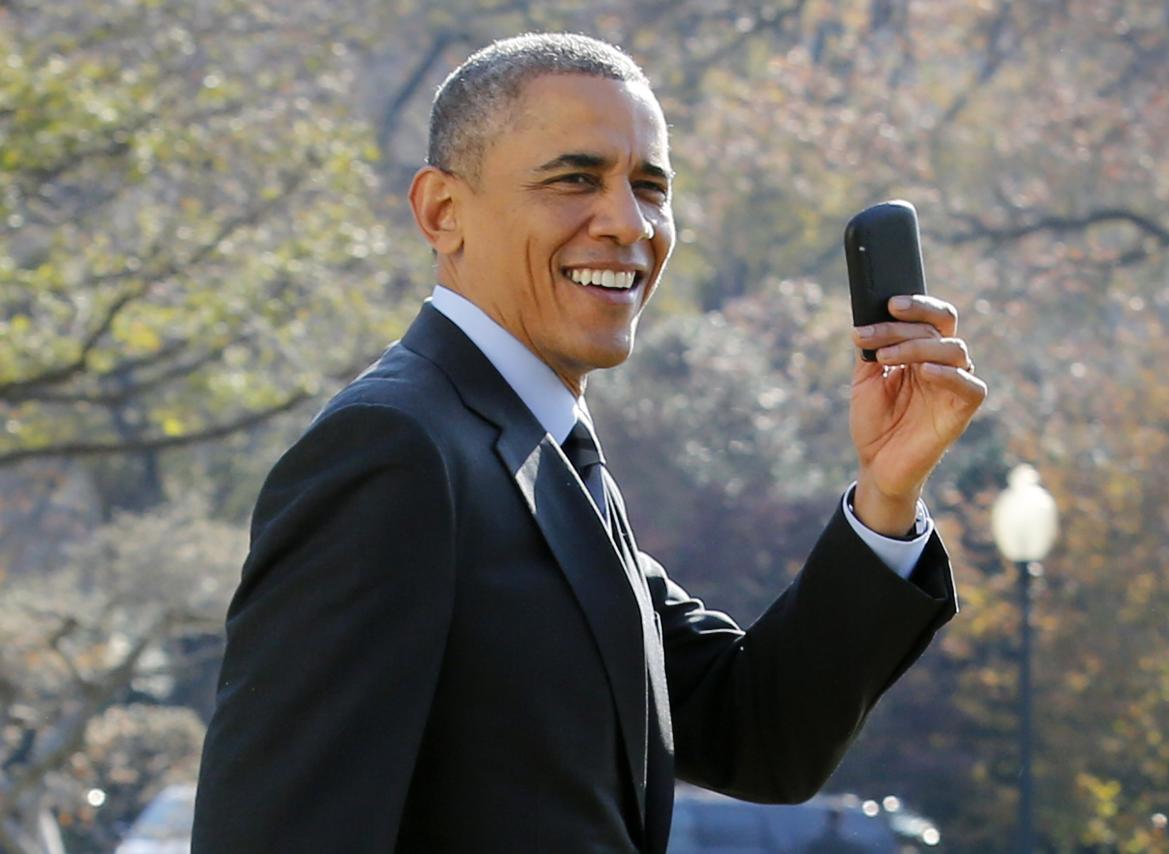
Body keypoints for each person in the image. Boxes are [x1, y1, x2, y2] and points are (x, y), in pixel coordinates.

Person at [191, 33, 986, 854]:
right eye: (575, 179)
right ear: (442, 212)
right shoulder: (394, 452)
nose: (627, 223)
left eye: (650, 187)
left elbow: (757, 739)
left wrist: (886, 496)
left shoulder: (537, 453)